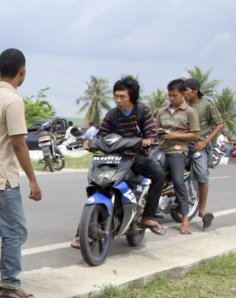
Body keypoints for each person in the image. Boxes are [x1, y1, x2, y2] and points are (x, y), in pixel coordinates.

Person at [0, 48, 42, 298]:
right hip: (3, 175)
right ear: (22, 71)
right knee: (14, 231)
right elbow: (18, 144)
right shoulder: (13, 100)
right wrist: (33, 180)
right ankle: (11, 284)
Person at [72, 75, 167, 249]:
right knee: (100, 186)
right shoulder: (112, 114)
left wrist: (148, 141)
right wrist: (89, 143)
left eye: (122, 97)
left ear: (131, 96)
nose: (118, 100)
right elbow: (102, 135)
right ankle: (82, 234)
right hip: (113, 157)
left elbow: (152, 134)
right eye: (116, 96)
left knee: (159, 174)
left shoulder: (142, 112)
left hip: (135, 157)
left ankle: (148, 216)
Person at [155, 79, 199, 234]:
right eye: (169, 95)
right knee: (150, 175)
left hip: (178, 150)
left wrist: (173, 134)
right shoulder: (162, 111)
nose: (171, 98)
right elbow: (155, 130)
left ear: (182, 94)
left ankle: (185, 219)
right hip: (160, 149)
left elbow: (194, 134)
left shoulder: (190, 112)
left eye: (174, 95)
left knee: (178, 181)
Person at [182, 78, 224, 230]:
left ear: (194, 90)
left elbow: (220, 125)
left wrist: (205, 142)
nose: (183, 94)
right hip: (181, 144)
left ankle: (202, 210)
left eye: (185, 91)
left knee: (202, 175)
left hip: (198, 145)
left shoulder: (206, 105)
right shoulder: (182, 105)